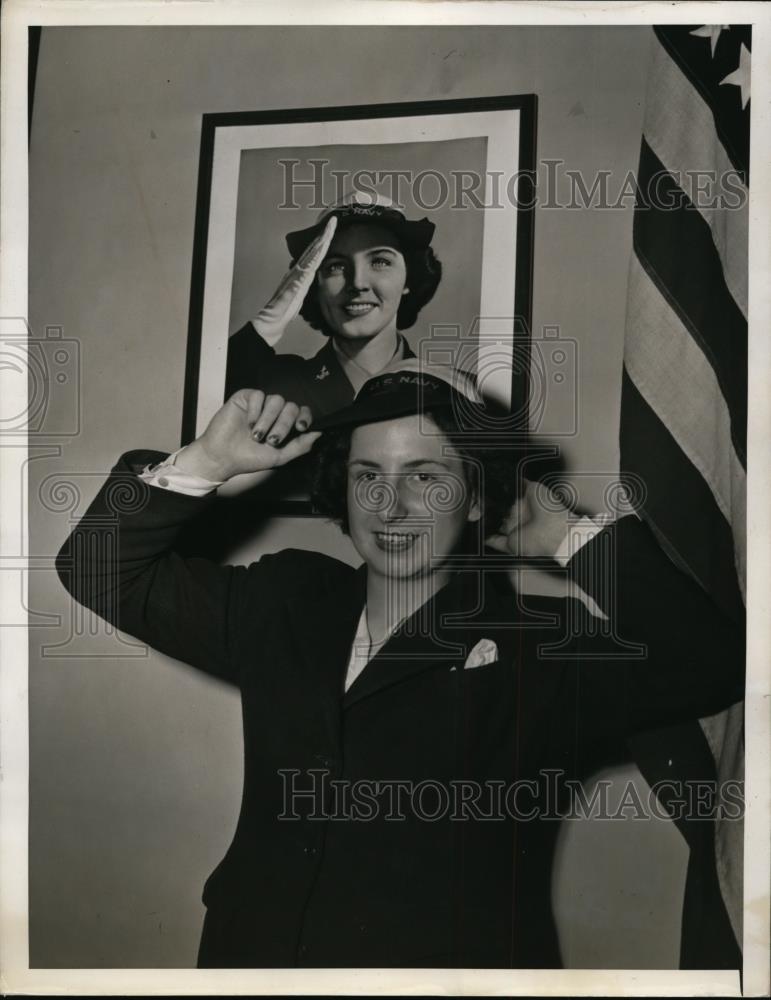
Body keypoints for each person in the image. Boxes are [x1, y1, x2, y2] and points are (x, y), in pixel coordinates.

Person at [55, 363, 744, 969]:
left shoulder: (541, 646)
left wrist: (564, 534)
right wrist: (206, 460)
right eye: (367, 475)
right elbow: (94, 569)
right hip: (248, 964)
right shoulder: (282, 598)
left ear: (477, 497)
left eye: (425, 475)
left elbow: (711, 663)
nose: (390, 504)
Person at [224, 191, 442, 414]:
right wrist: (266, 324)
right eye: (336, 266)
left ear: (409, 277)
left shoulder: (452, 391)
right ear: (313, 283)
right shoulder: (273, 385)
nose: (357, 283)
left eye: (380, 261)